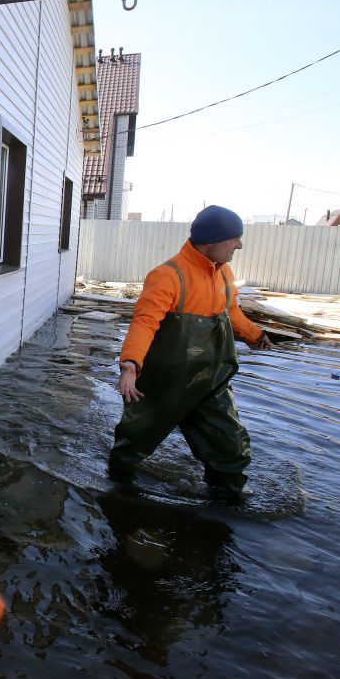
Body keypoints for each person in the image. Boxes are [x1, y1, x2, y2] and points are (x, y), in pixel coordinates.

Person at [108, 205, 272, 501]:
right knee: (132, 445)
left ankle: (227, 503)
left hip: (210, 382)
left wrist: (256, 336)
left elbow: (231, 312)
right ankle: (117, 492)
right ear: (209, 241)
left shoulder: (224, 274)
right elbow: (144, 322)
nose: (240, 245)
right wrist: (129, 365)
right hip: (164, 385)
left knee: (230, 445)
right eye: (234, 238)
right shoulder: (168, 276)